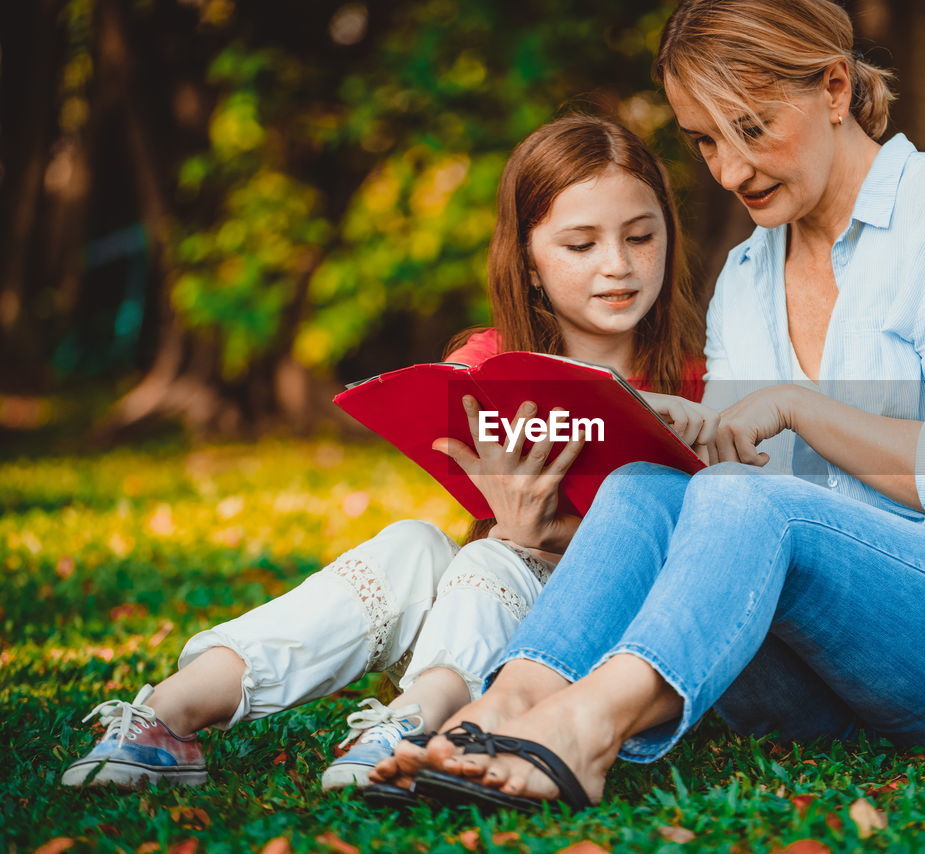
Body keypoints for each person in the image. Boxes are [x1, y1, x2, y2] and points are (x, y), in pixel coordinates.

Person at [370, 0, 925, 813]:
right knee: (647, 490)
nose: (728, 170)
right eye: (704, 141)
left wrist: (797, 407)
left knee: (747, 500)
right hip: (839, 673)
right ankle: (504, 707)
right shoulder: (748, 279)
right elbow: (721, 511)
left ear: (834, 88)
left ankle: (582, 727)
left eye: (751, 129)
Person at [60, 114, 713, 790]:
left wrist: (533, 536)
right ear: (529, 263)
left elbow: (702, 570)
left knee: (494, 552)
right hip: (485, 621)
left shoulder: (702, 383)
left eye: (641, 237)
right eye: (581, 244)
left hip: (597, 648)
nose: (619, 265)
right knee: (412, 545)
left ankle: (410, 728)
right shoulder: (486, 363)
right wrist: (518, 530)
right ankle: (167, 716)